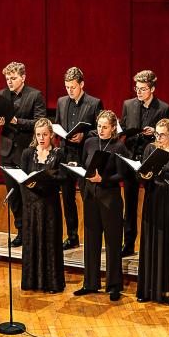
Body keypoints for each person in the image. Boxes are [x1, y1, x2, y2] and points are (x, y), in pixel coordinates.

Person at [73, 110, 129, 301]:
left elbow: (123, 175)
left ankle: (113, 285)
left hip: (110, 199)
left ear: (113, 128)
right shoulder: (89, 143)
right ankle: (90, 283)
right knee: (91, 240)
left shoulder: (119, 147)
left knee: (113, 242)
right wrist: (83, 184)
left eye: (105, 127)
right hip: (90, 198)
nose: (101, 130)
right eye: (99, 126)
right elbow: (82, 166)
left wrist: (102, 179)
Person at [0, 61, 47, 247]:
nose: (9, 82)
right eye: (7, 78)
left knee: (28, 193)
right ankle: (21, 230)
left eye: (13, 78)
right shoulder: (1, 94)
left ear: (23, 77)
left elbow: (40, 122)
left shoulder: (35, 95)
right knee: (13, 194)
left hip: (25, 152)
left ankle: (33, 231)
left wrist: (17, 121)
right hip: (7, 152)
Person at [136, 119, 169, 306]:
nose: (158, 138)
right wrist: (145, 176)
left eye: (162, 135)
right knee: (154, 243)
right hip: (154, 200)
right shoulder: (150, 149)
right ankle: (150, 289)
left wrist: (161, 173)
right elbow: (142, 176)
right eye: (156, 134)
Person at [120, 70, 169, 256]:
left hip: (152, 161)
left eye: (142, 89)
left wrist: (155, 134)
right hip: (131, 158)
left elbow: (168, 137)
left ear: (152, 89)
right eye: (137, 89)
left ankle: (154, 245)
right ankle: (128, 243)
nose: (138, 92)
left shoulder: (163, 108)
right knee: (130, 204)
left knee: (153, 201)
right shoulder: (128, 104)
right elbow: (123, 128)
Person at [55, 67, 103, 250]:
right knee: (67, 198)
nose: (69, 91)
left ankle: (93, 238)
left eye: (72, 87)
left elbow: (100, 129)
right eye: (67, 87)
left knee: (87, 197)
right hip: (66, 155)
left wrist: (84, 135)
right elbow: (58, 124)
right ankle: (72, 236)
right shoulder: (61, 101)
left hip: (84, 156)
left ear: (81, 84)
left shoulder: (94, 103)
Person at [19, 118, 66, 293]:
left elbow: (62, 178)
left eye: (45, 134)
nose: (41, 138)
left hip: (49, 205)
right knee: (32, 241)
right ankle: (31, 282)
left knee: (50, 242)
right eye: (38, 135)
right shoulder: (27, 153)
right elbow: (21, 180)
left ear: (51, 135)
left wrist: (47, 178)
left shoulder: (58, 154)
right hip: (31, 205)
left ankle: (52, 283)